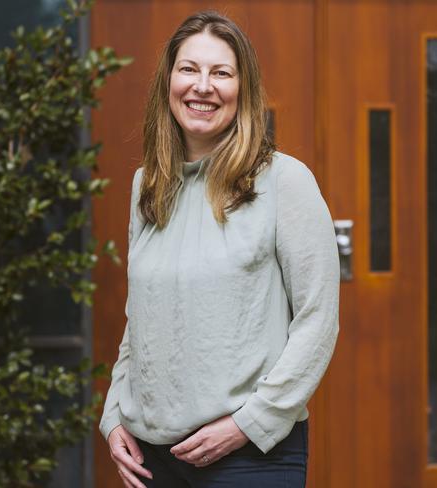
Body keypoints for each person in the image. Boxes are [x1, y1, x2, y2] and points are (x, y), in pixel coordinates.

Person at [100, 10, 340, 488]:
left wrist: (247, 424)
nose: (202, 86)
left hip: (249, 456)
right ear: (168, 81)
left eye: (221, 73)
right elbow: (141, 318)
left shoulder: (283, 181)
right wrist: (113, 417)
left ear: (242, 90)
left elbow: (318, 319)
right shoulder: (147, 185)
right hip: (151, 458)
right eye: (189, 69)